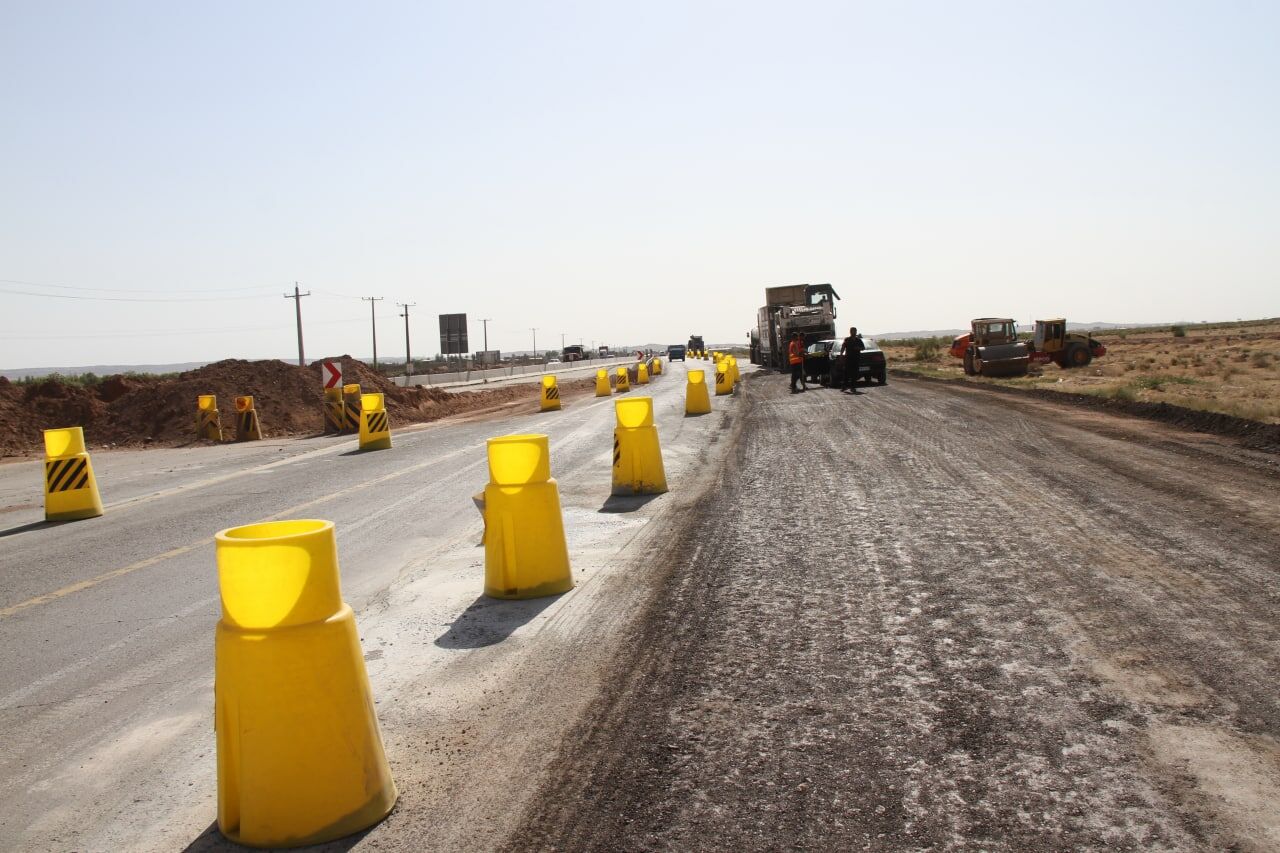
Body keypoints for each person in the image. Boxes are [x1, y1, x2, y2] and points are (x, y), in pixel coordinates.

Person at [839, 327, 865, 394]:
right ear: (850, 332)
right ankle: (844, 386)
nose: (853, 332)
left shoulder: (858, 340)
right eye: (852, 331)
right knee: (846, 373)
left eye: (854, 331)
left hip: (856, 359)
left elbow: (863, 348)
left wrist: (858, 348)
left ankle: (853, 387)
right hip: (848, 359)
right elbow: (843, 347)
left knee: (854, 374)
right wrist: (841, 355)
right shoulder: (847, 339)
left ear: (856, 332)